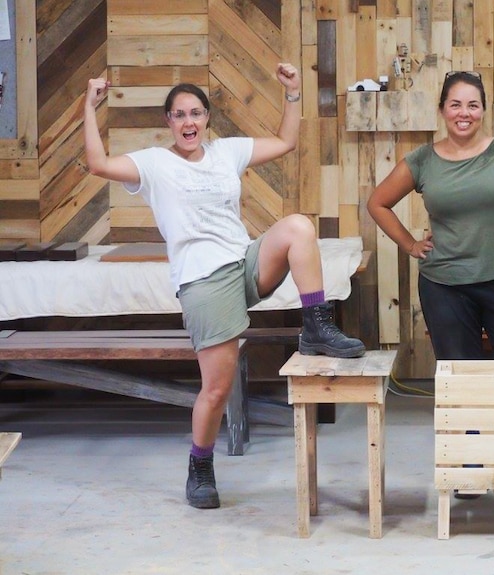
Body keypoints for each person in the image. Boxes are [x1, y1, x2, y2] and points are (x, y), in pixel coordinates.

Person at [83, 63, 365, 510]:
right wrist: (90, 106)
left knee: (297, 226)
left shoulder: (226, 152)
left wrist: (293, 92)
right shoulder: (152, 164)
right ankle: (200, 464)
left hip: (244, 264)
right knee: (217, 389)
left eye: (196, 113)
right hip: (203, 280)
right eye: (179, 115)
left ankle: (316, 326)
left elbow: (287, 142)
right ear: (168, 122)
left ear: (207, 117)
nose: (189, 122)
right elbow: (97, 164)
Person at [368, 70, 494, 500]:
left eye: (472, 104)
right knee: (460, 379)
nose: (464, 113)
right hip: (445, 285)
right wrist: (409, 243)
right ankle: (468, 468)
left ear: (482, 111)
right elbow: (378, 203)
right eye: (455, 104)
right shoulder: (423, 160)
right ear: (442, 110)